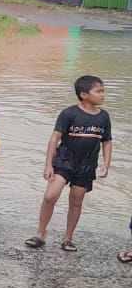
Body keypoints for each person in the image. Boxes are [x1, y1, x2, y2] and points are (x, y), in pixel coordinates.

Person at [26, 75, 112, 252]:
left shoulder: (104, 117)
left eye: (103, 91)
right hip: (64, 160)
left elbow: (107, 141)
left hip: (87, 165)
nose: (102, 94)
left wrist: (106, 164)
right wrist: (48, 165)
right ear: (84, 95)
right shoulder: (69, 113)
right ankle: (41, 234)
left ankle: (68, 238)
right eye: (98, 91)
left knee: (76, 200)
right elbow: (55, 138)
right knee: (50, 196)